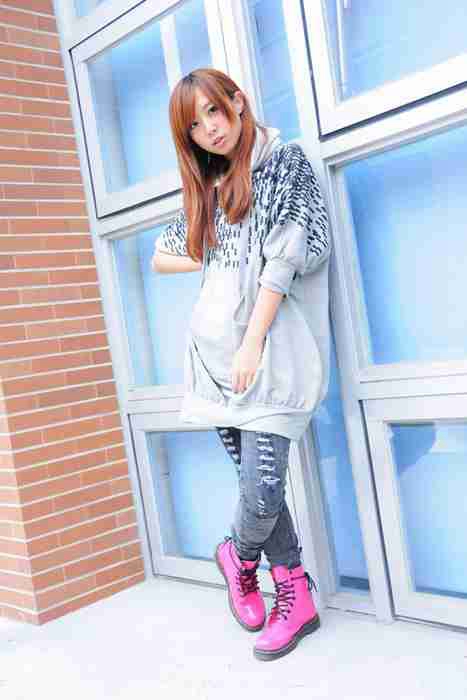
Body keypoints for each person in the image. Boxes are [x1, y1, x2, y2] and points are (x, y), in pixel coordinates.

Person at [152, 68, 331, 661]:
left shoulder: (283, 163)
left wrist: (253, 340)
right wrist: (212, 254)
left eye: (213, 110)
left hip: (266, 356)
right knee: (260, 489)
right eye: (194, 125)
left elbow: (287, 258)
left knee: (261, 492)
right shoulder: (211, 186)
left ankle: (235, 554)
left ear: (238, 101)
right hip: (213, 359)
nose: (209, 129)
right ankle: (295, 595)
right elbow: (160, 256)